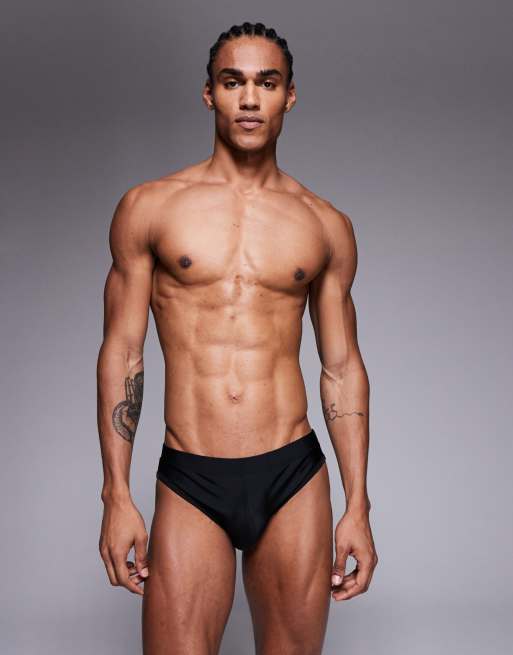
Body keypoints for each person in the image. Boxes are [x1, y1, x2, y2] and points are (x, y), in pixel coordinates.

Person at [97, 21, 378, 655]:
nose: (250, 99)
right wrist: (116, 494)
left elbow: (342, 368)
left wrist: (358, 506)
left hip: (292, 473)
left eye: (266, 83)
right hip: (191, 475)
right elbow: (122, 353)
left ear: (289, 96)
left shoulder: (324, 224)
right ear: (209, 94)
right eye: (233, 82)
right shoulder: (150, 208)